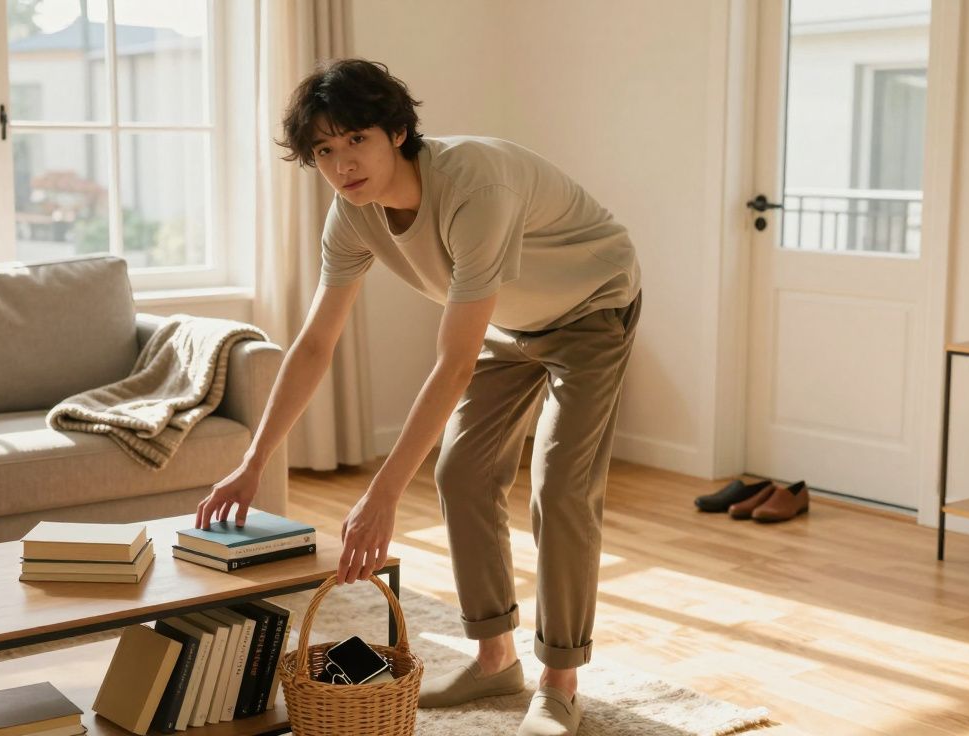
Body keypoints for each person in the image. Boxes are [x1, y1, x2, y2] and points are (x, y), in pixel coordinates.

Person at [195, 58, 641, 736]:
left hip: (592, 306)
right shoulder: (350, 217)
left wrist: (382, 494)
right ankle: (495, 659)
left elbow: (454, 362)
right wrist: (254, 460)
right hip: (511, 322)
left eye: (357, 139)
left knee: (561, 483)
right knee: (461, 470)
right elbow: (315, 345)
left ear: (397, 132)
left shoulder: (472, 188)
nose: (343, 163)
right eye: (324, 149)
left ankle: (559, 681)